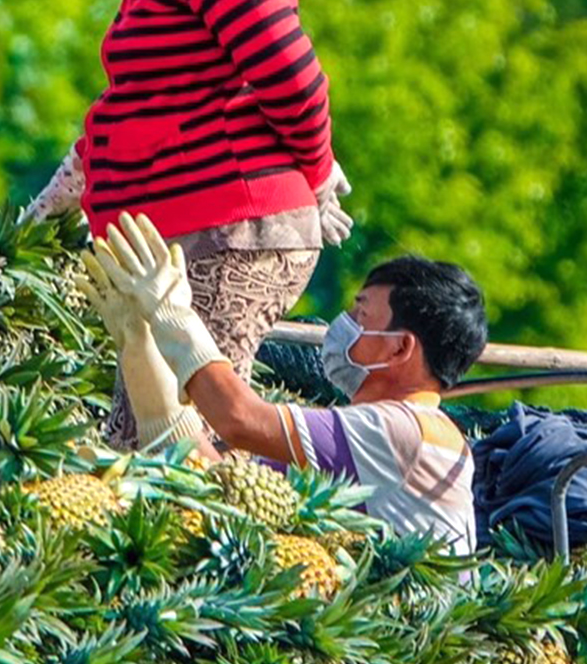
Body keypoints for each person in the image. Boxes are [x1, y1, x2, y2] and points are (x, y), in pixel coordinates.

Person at [21, 0, 352, 450]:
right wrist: (70, 185)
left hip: (232, 222)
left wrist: (319, 170)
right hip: (180, 228)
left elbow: (289, 74)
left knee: (186, 442)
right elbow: (148, 94)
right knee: (136, 433)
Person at [83, 212, 485, 553]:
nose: (343, 326)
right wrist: (137, 345)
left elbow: (237, 418)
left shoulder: (405, 431)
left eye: (361, 317)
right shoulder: (381, 432)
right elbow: (217, 480)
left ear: (399, 350)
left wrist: (173, 315)